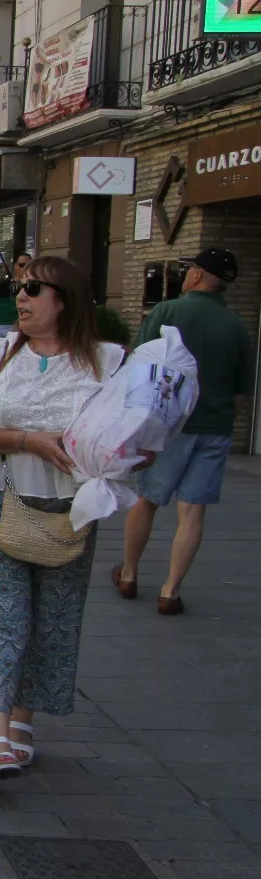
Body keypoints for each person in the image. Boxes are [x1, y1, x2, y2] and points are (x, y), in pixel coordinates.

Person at [0, 256, 134, 779]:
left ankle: (22, 720)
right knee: (7, 612)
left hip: (72, 506)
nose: (22, 296)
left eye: (35, 288)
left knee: (53, 617)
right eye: (20, 287)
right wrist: (27, 441)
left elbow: (132, 435)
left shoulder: (109, 362)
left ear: (67, 300)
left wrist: (131, 453)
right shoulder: (1, 352)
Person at [115, 248, 253, 616]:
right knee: (193, 510)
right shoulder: (237, 326)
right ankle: (170, 590)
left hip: (169, 427)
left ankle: (129, 573)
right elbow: (242, 393)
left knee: (147, 499)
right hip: (216, 427)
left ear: (195, 275)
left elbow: (139, 364)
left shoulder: (167, 311)